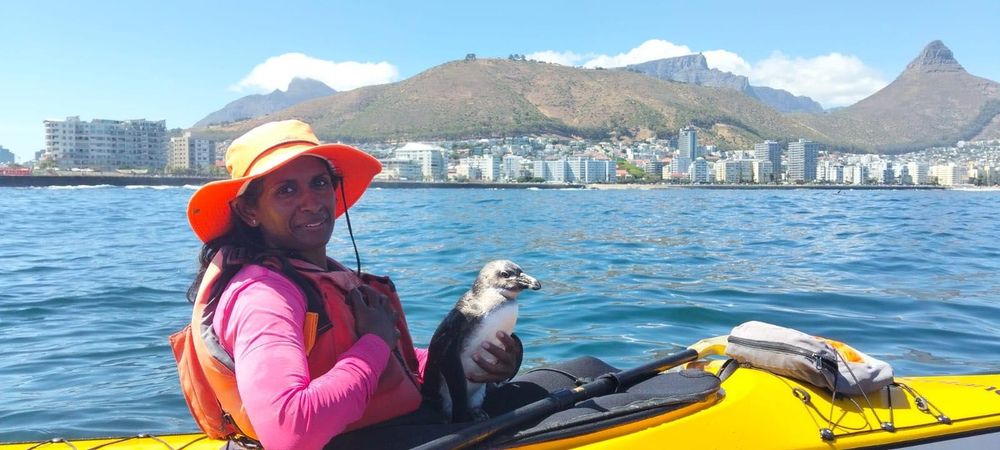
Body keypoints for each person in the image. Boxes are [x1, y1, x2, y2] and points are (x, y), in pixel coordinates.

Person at [171, 120, 522, 450]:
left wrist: (480, 361)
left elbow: (393, 363)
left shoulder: (322, 275)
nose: (311, 201)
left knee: (577, 373)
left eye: (320, 183)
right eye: (286, 190)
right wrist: (375, 342)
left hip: (390, 426)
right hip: (351, 441)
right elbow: (291, 430)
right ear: (250, 211)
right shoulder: (263, 297)